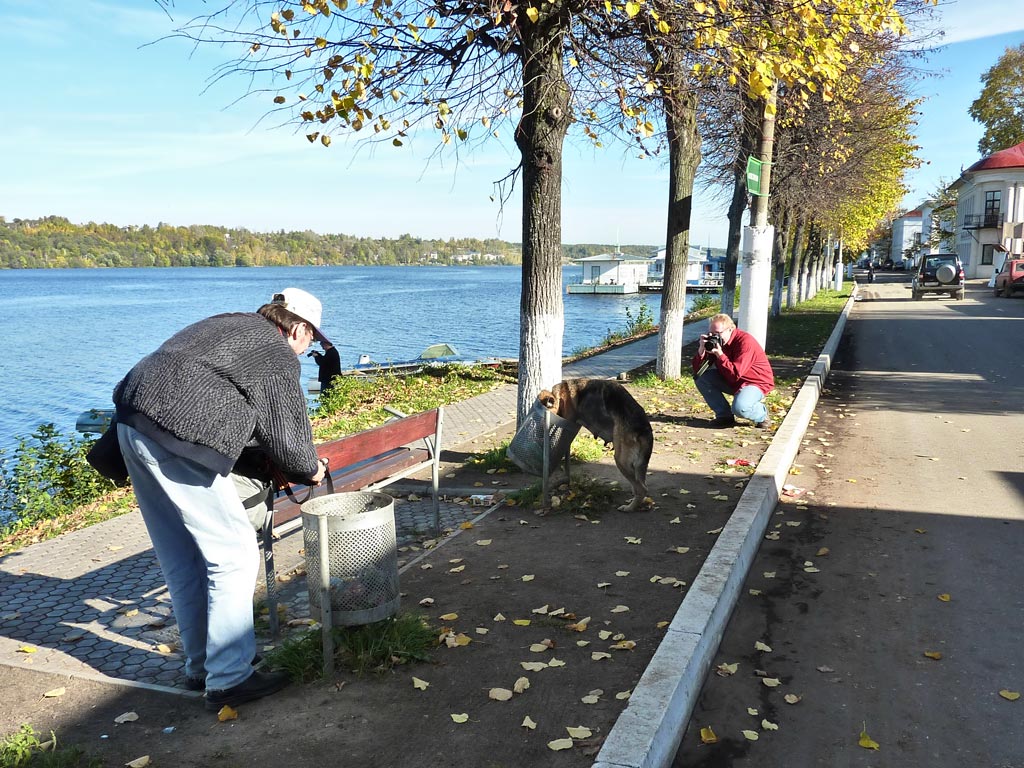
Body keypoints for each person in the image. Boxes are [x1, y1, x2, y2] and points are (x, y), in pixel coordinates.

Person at [113, 287, 329, 711]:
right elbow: (289, 441)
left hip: (131, 422)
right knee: (233, 553)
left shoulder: (229, 323)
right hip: (176, 436)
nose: (309, 351)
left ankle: (202, 667)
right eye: (313, 341)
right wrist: (312, 469)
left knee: (183, 556)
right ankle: (229, 678)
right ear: (299, 329)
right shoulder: (276, 352)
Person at [692, 313, 775, 429]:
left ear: (731, 329)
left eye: (718, 334)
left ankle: (762, 414)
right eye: (711, 334)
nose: (714, 337)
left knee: (740, 408)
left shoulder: (745, 342)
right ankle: (724, 417)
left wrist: (720, 354)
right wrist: (701, 350)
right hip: (733, 380)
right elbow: (698, 370)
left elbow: (735, 373)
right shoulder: (719, 343)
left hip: (755, 382)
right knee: (702, 378)